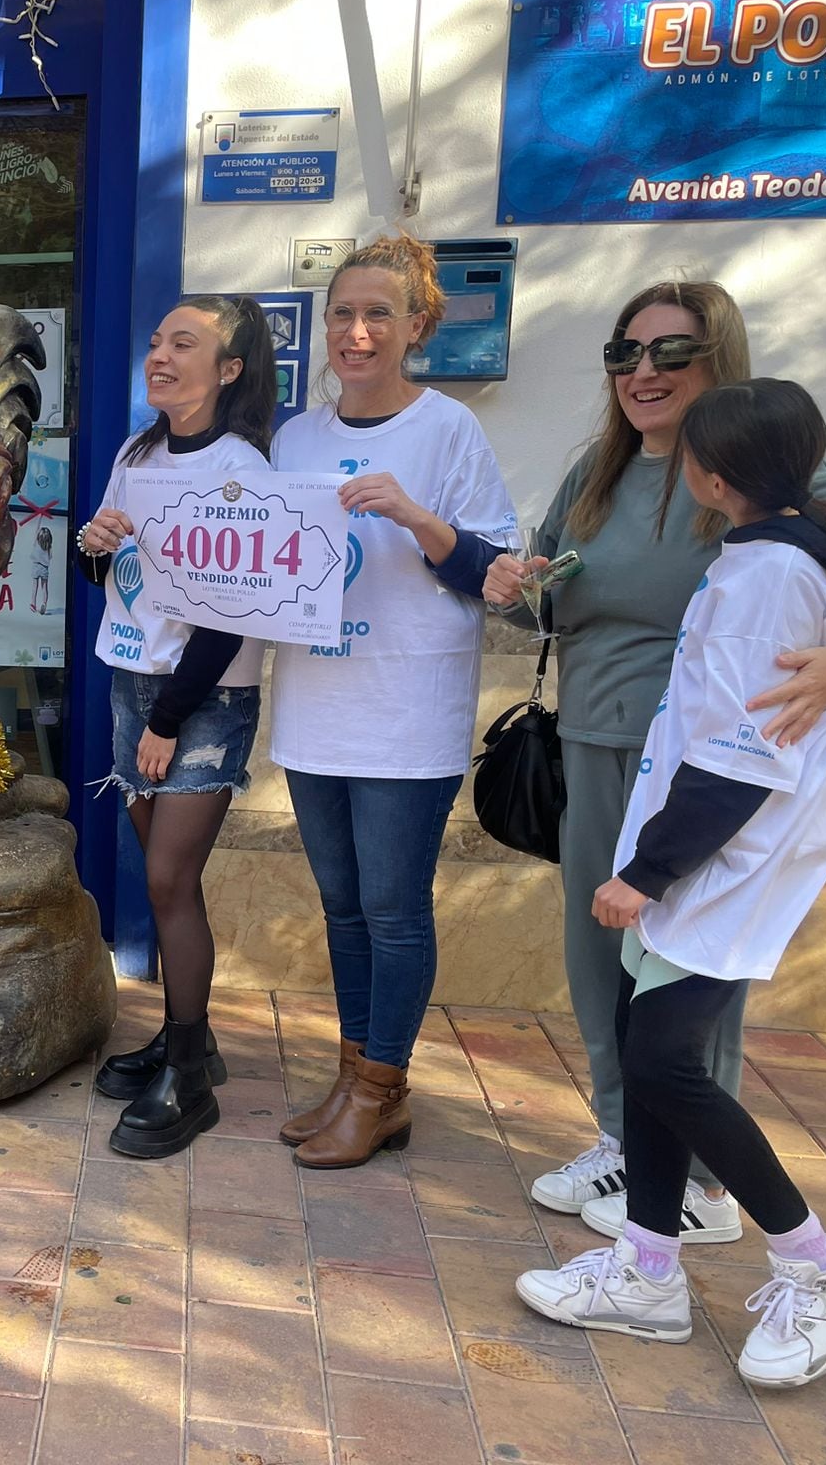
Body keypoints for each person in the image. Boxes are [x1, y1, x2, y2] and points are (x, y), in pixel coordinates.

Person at [484, 282, 826, 1239]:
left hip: (706, 772)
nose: (642, 373)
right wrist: (513, 588)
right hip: (595, 749)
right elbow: (550, 597)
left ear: (717, 359)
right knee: (601, 960)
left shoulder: (772, 470)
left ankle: (693, 1183)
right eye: (624, 353)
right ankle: (622, 1141)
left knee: (684, 969)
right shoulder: (594, 475)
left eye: (669, 352)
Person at [516, 379, 826, 1388]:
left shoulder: (767, 577)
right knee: (650, 1052)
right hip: (716, 851)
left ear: (708, 476)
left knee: (670, 1062)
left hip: (727, 859)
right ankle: (645, 1269)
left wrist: (641, 875)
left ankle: (816, 1265)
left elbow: (739, 758)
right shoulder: (777, 553)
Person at [272, 236, 516, 1170]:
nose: (358, 333)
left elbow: (495, 572)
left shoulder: (448, 430)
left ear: (417, 327)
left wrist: (416, 515)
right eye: (342, 313)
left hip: (407, 708)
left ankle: (380, 1089)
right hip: (315, 705)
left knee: (394, 909)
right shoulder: (296, 437)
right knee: (341, 907)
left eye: (380, 315)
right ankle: (358, 1080)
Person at [77, 295, 278, 1160]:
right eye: (156, 340)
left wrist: (166, 718)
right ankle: (184, 1036)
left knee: (166, 878)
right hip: (132, 679)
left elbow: (232, 615)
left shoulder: (243, 469)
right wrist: (95, 545)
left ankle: (189, 1080)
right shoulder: (139, 449)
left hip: (201, 700)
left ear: (229, 369)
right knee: (167, 880)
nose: (160, 354)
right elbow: (116, 579)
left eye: (183, 343)